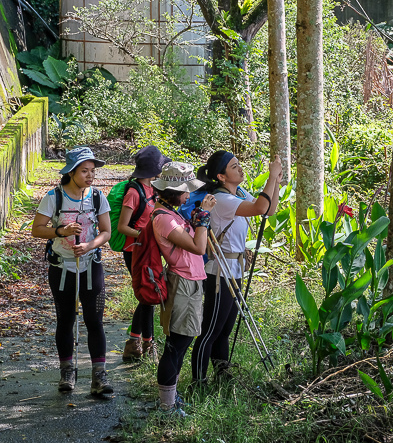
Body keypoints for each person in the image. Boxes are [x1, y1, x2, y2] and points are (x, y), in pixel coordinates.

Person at [190, 151, 282, 387]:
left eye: (239, 165)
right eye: (234, 167)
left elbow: (269, 209)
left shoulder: (237, 192)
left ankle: (222, 374)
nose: (240, 169)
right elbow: (260, 208)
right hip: (219, 272)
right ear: (221, 176)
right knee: (211, 329)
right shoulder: (222, 199)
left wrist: (276, 182)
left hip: (235, 269)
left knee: (224, 329)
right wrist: (270, 178)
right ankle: (198, 382)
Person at [31, 146, 113, 395]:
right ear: (71, 172)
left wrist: (89, 245)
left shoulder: (97, 196)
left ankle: (99, 377)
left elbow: (106, 232)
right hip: (61, 267)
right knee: (66, 319)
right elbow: (37, 229)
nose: (90, 176)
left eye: (92, 171)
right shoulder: (54, 197)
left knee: (94, 321)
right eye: (84, 171)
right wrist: (61, 232)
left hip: (91, 266)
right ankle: (67, 372)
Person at [151, 161, 217, 414]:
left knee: (182, 342)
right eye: (185, 191)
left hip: (189, 281)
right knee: (176, 345)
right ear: (172, 192)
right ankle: (167, 407)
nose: (189, 195)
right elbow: (198, 248)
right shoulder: (165, 219)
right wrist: (203, 216)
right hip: (182, 282)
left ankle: (172, 398)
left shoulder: (170, 212)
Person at [117, 146, 171, 362]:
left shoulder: (153, 190)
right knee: (148, 296)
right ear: (153, 169)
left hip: (150, 251)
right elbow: (122, 226)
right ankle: (145, 345)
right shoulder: (134, 192)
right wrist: (144, 235)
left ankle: (138, 343)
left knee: (150, 296)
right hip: (136, 252)